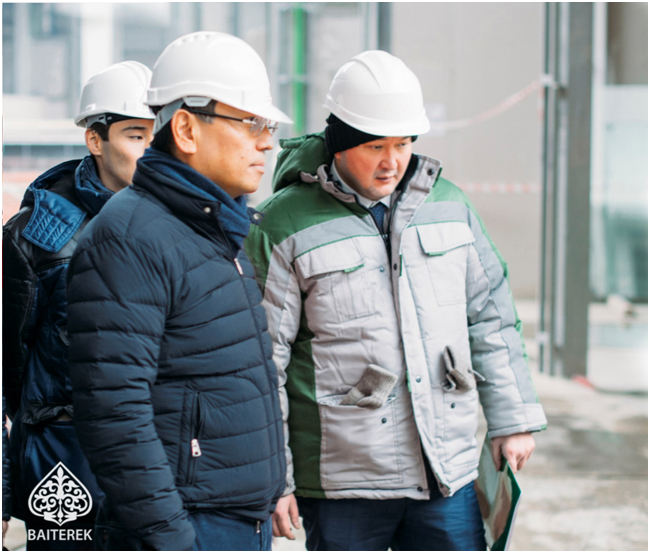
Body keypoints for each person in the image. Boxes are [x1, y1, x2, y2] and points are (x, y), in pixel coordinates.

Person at [244, 50, 548, 551]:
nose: (392, 162)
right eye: (375, 146)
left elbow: (490, 318)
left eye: (404, 143)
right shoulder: (284, 224)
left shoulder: (450, 206)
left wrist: (511, 420)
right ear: (340, 143)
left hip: (444, 470)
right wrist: (277, 478)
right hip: (342, 482)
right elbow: (262, 365)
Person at [66, 32, 292, 551]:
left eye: (270, 127)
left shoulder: (214, 227)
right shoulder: (130, 237)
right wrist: (171, 539)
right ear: (187, 129)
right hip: (191, 525)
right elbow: (114, 413)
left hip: (238, 519)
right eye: (252, 123)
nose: (267, 143)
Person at [2, 60, 154, 550]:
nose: (152, 152)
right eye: (136, 135)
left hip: (159, 462)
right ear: (95, 140)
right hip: (63, 462)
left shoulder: (188, 227)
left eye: (161, 136)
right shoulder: (35, 238)